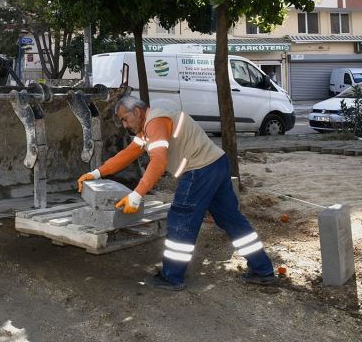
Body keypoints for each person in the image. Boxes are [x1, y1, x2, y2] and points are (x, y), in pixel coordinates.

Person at [77, 96, 276, 291]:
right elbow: (127, 154)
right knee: (232, 219)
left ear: (136, 111)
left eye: (124, 119)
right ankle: (262, 270)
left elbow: (158, 161)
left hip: (199, 170)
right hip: (217, 163)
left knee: (181, 220)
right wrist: (95, 173)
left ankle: (172, 277)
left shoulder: (155, 122)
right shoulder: (153, 122)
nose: (124, 125)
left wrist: (136, 195)